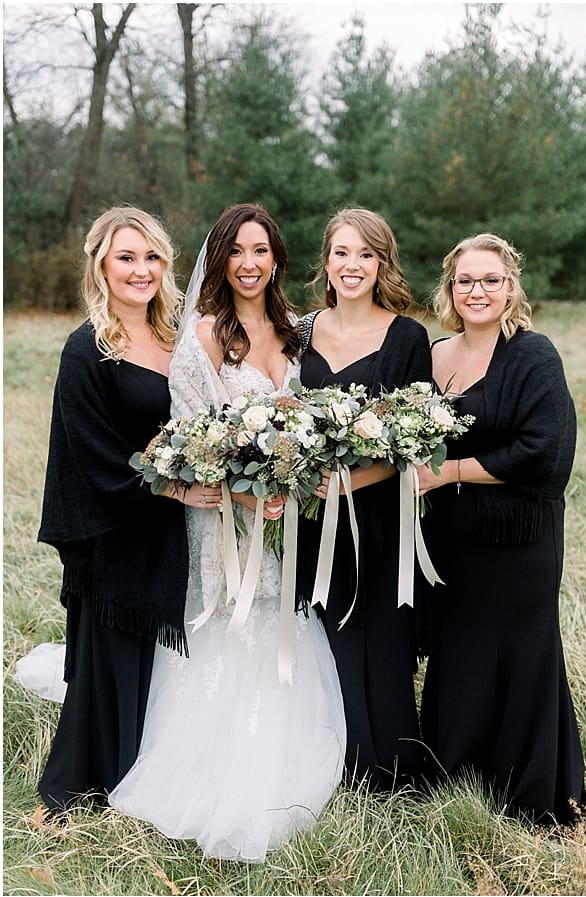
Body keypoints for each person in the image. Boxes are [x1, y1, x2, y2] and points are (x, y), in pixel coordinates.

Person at [108, 204, 346, 863]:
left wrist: (293, 476)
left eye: (260, 250)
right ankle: (210, 773)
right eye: (236, 250)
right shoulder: (205, 336)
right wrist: (246, 492)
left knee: (276, 619)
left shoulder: (293, 331)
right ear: (220, 259)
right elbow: (191, 438)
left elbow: (302, 423)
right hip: (220, 516)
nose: (249, 262)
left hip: (281, 516)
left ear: (276, 259)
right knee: (229, 624)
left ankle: (284, 762)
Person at [33, 207, 222, 813]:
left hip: (174, 531)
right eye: (126, 258)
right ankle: (81, 788)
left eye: (151, 258)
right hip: (114, 530)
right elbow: (90, 453)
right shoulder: (87, 349)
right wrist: (173, 490)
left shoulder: (178, 337)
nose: (141, 270)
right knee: (111, 664)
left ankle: (150, 776)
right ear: (101, 266)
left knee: (162, 667)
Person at [417, 233, 586, 825]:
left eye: (491, 280)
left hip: (520, 539)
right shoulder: (434, 355)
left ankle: (527, 787)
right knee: (461, 651)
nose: (478, 291)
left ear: (510, 286)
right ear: (450, 288)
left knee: (521, 656)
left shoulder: (532, 354)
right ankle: (457, 769)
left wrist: (450, 472)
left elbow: (546, 451)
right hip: (452, 539)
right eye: (465, 281)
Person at [294, 208, 433, 792]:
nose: (353, 265)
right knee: (327, 637)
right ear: (326, 261)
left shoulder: (408, 338)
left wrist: (351, 482)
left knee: (383, 637)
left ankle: (393, 769)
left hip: (380, 516)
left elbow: (418, 438)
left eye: (366, 255)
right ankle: (337, 767)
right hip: (309, 517)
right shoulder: (299, 333)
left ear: (382, 264)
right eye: (342, 253)